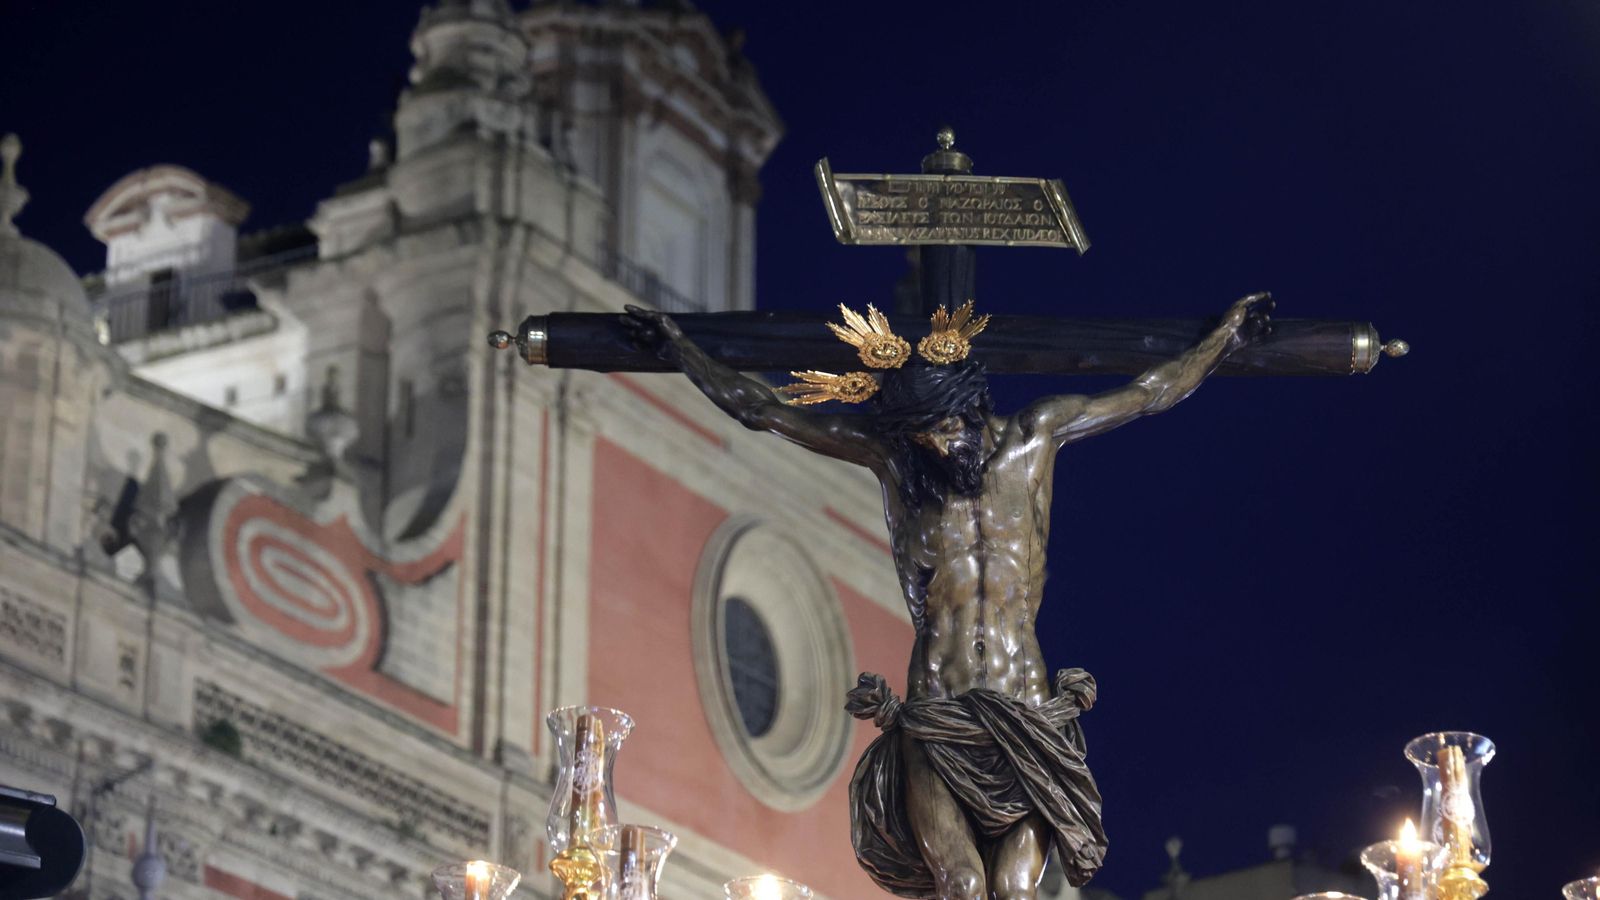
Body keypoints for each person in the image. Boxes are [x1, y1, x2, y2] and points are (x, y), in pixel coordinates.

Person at [623, 292, 1273, 900]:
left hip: (1024, 714)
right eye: (919, 435)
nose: (933, 444)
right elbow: (764, 411)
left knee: (1017, 892)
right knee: (961, 886)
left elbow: (1147, 394)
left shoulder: (1036, 437)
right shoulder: (897, 464)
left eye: (941, 428)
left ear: (968, 405)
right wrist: (682, 351)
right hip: (937, 713)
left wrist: (1225, 339)